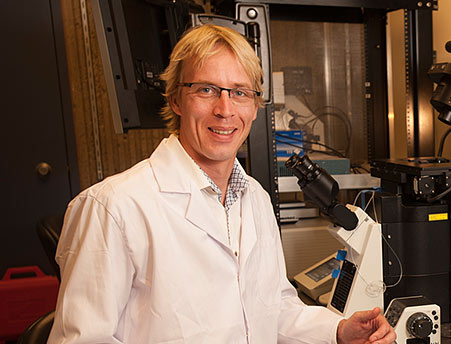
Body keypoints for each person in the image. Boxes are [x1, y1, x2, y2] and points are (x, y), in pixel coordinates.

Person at [48, 24, 395, 344]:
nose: (225, 109)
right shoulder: (113, 207)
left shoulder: (254, 198)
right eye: (206, 89)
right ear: (175, 99)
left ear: (256, 107)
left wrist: (337, 330)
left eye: (240, 92)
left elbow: (273, 309)